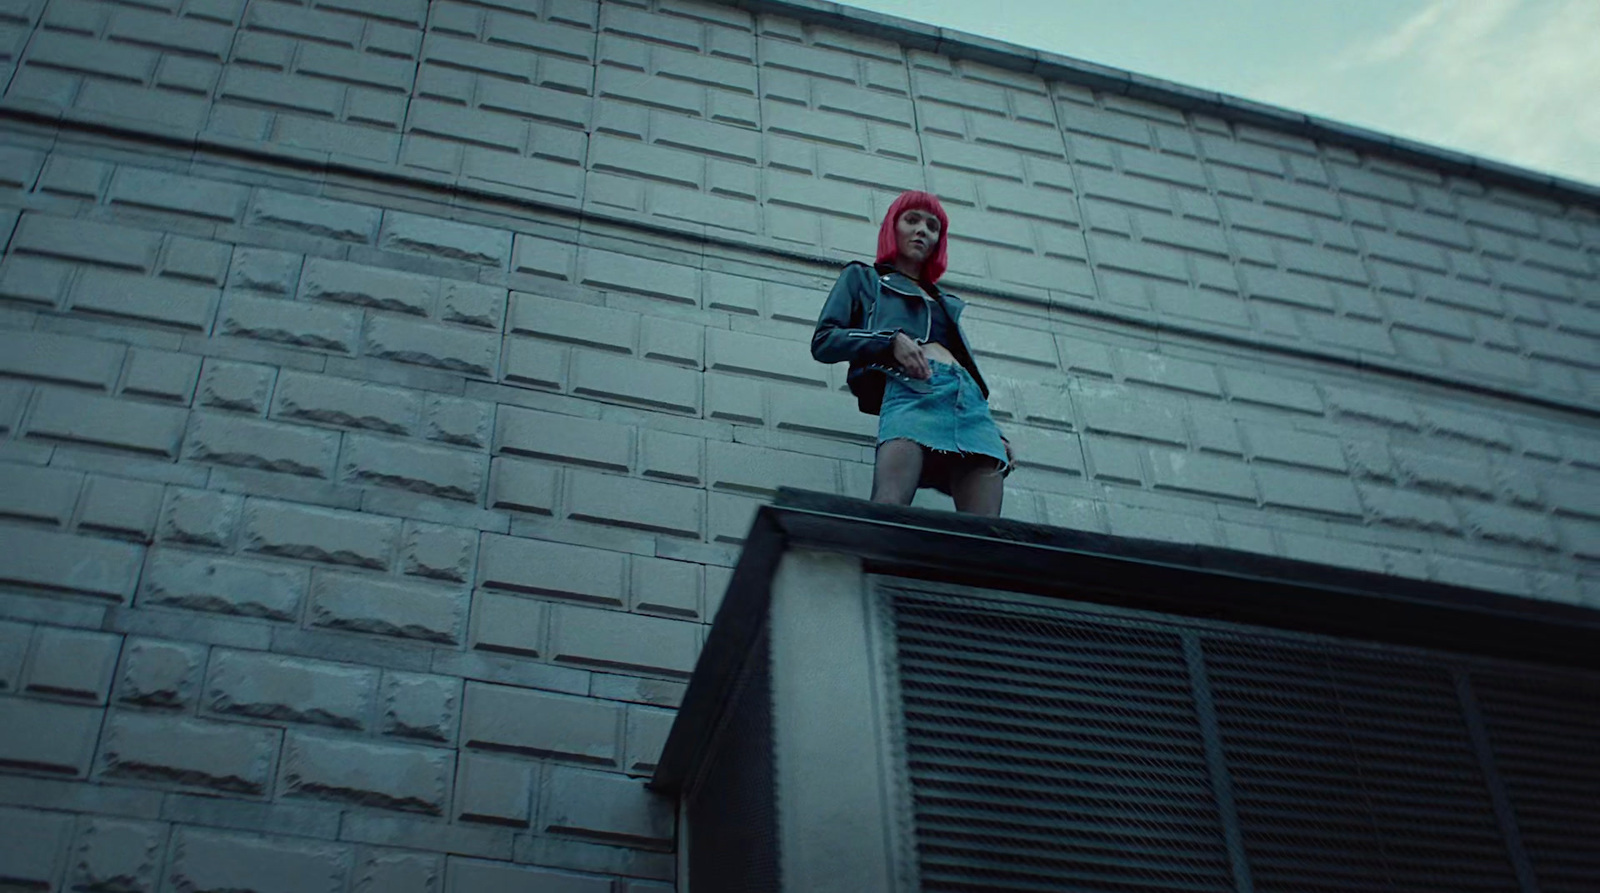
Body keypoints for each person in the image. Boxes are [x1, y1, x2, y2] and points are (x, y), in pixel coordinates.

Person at [811, 190, 1013, 515]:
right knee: (889, 510)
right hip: (910, 391)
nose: (923, 230)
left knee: (985, 534)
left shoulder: (947, 303)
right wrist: (889, 341)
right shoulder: (863, 278)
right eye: (912, 220)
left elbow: (966, 371)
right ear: (894, 226)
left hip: (971, 410)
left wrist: (995, 430)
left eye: (933, 226)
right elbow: (824, 340)